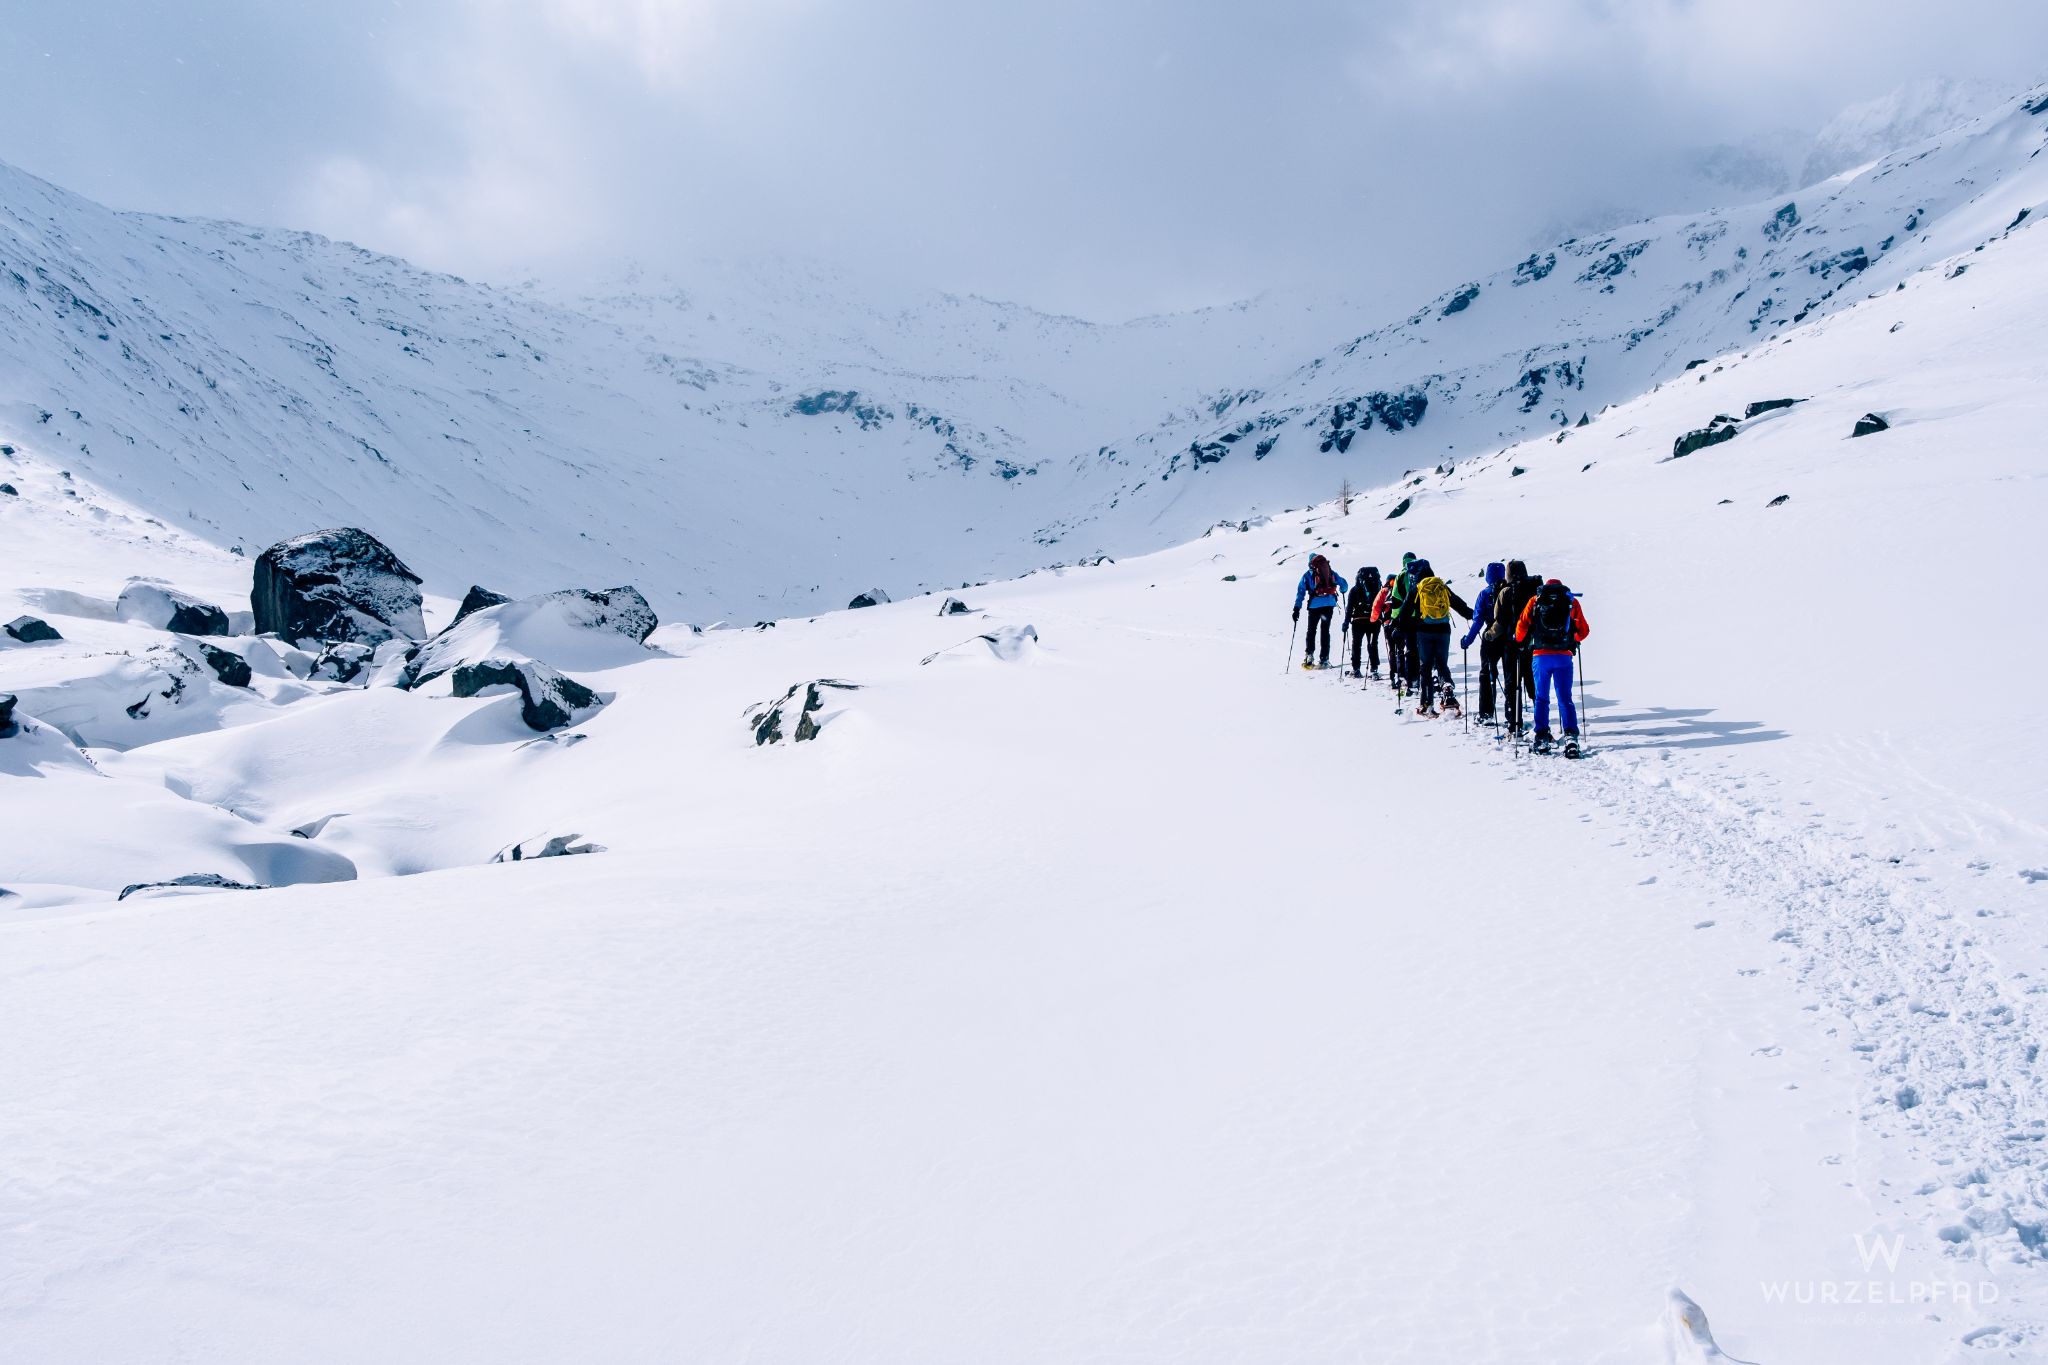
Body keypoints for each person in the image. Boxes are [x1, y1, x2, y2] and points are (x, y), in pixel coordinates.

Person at [1515, 577, 1590, 755]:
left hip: (1541, 656)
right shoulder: (1571, 601)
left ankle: (1541, 737)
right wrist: (1572, 641)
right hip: (1563, 656)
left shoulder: (1535, 600)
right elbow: (1584, 631)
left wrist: (1519, 641)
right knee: (1565, 698)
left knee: (1541, 698)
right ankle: (1571, 736)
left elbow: (1522, 625)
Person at [1407, 559, 1472, 716]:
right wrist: (1472, 615)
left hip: (1424, 631)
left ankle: (1426, 705)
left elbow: (1405, 611)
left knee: (1426, 667)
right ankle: (1447, 692)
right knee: (1442, 664)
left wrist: (1399, 629)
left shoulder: (1417, 589)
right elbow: (1458, 604)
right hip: (1443, 631)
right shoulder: (1441, 587)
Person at [1491, 560, 1539, 735]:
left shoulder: (1505, 592)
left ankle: (1514, 724)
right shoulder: (1535, 589)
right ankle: (1541, 722)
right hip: (1533, 643)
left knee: (1512, 683)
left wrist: (1489, 636)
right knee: (1532, 682)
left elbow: (1500, 620)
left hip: (1511, 643)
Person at [1461, 562, 1507, 723]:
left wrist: (1468, 640)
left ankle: (1486, 713)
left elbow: (1478, 621)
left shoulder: (1484, 594)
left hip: (1490, 637)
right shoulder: (1510, 591)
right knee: (1511, 676)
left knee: (1487, 674)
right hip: (1509, 638)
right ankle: (1513, 715)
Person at [1291, 553, 1349, 670]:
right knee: (1325, 630)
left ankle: (1309, 656)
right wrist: (1341, 590)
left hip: (1314, 606)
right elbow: (1344, 586)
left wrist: (1297, 608)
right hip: (1328, 604)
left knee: (1311, 630)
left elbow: (1300, 592)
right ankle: (1324, 659)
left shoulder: (1308, 575)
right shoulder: (1330, 572)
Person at [1382, 551, 1419, 693]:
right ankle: (1417, 678)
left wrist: (1395, 619)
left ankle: (1408, 680)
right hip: (1420, 618)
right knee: (1416, 648)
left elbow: (1396, 602)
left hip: (1405, 618)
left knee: (1405, 649)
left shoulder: (1401, 576)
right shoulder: (1420, 574)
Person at [1345, 566, 1383, 678]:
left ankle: (1356, 669)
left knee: (1356, 644)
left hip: (1358, 621)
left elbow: (1349, 607)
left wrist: (1346, 621)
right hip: (1374, 620)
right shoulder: (1378, 588)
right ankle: (1374, 669)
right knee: (1372, 644)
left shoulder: (1354, 589)